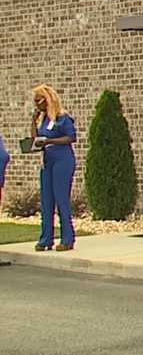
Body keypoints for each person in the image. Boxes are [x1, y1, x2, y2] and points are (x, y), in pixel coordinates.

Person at [30, 85, 77, 252]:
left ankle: (67, 239)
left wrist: (50, 141)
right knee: (46, 200)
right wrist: (33, 122)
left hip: (62, 159)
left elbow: (71, 137)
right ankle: (45, 239)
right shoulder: (43, 120)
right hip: (47, 160)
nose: (36, 104)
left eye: (38, 101)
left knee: (61, 198)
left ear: (47, 100)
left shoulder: (62, 118)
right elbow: (35, 139)